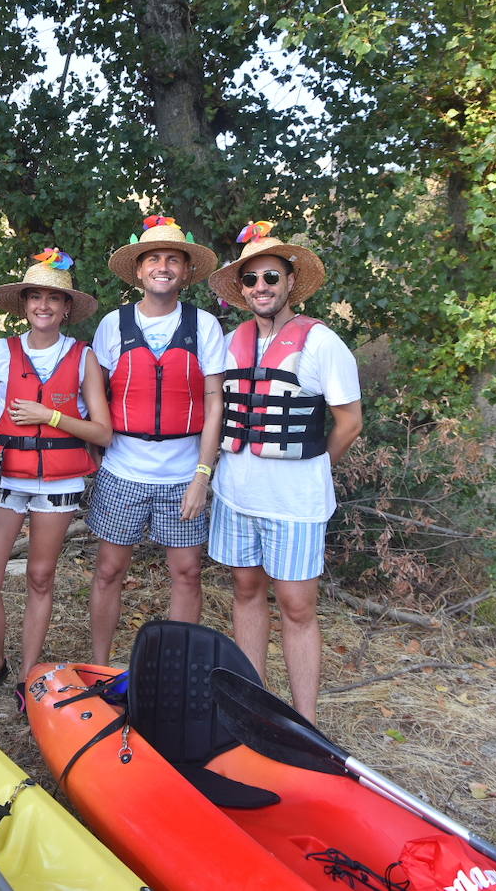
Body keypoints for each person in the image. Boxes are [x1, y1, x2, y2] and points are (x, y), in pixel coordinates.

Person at [0, 249, 109, 708]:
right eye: (36, 297)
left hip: (57, 483)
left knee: (39, 576)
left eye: (55, 298)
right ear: (24, 303)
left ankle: (29, 675)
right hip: (5, 477)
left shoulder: (83, 357)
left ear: (67, 307)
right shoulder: (2, 353)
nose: (44, 306)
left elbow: (102, 430)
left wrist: (49, 414)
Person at [206, 223, 362, 723]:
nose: (261, 288)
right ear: (242, 290)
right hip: (236, 494)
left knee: (297, 607)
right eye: (250, 280)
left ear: (291, 281)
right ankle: (253, 705)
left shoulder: (322, 343)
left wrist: (316, 467)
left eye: (271, 277)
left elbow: (349, 422)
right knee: (246, 593)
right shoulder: (231, 343)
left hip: (295, 502)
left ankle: (305, 722)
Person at [85, 216, 228, 665]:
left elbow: (215, 404)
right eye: (153, 259)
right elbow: (97, 397)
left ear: (185, 272)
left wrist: (202, 477)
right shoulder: (113, 324)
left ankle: (177, 668)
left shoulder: (204, 326)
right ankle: (100, 666)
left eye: (172, 259)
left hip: (184, 473)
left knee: (186, 573)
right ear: (139, 270)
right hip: (123, 470)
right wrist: (96, 455)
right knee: (109, 571)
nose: (162, 267)